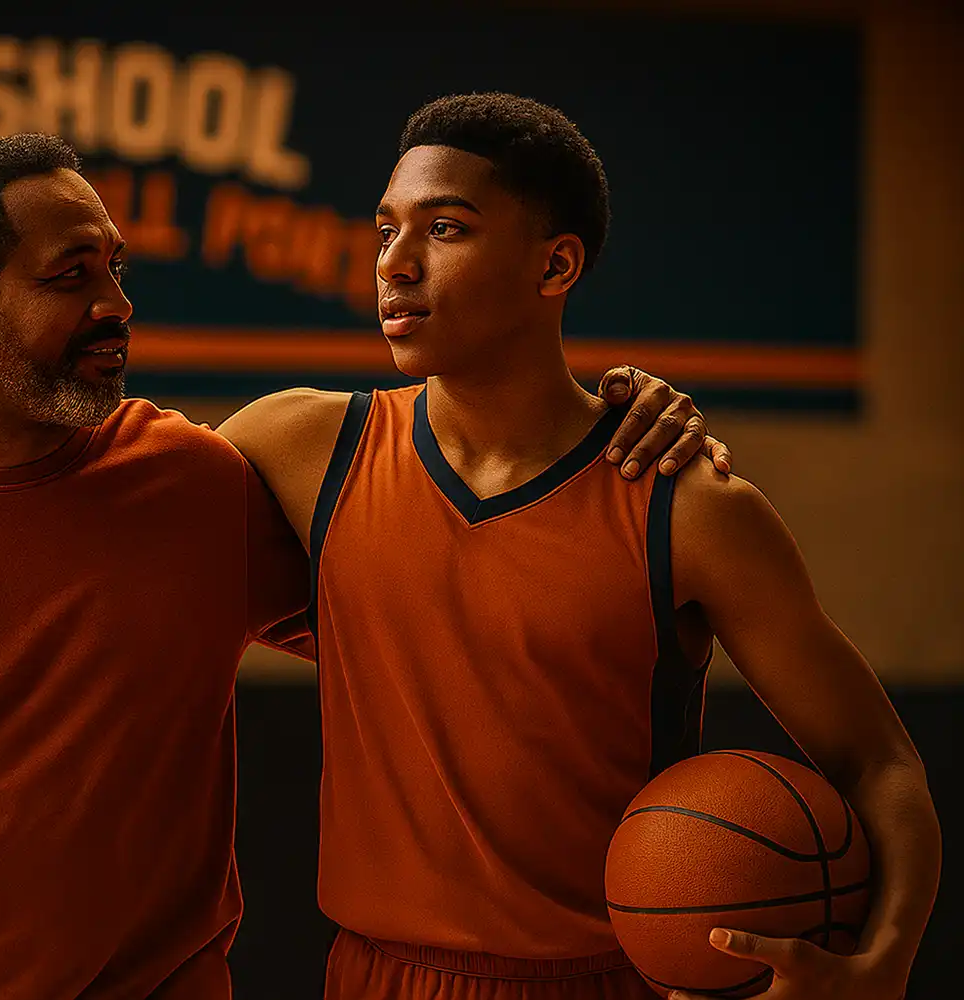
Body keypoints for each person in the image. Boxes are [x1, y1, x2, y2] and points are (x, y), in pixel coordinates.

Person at [0, 132, 726, 1000]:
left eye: (114, 269)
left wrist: (593, 435)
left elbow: (440, 620)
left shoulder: (192, 483)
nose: (116, 305)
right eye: (70, 277)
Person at [219, 94, 941, 1000]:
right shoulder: (295, 447)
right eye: (385, 230)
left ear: (555, 264)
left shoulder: (689, 507)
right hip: (373, 973)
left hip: (609, 980)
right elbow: (107, 522)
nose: (394, 266)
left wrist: (884, 965)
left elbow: (880, 763)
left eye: (445, 229)